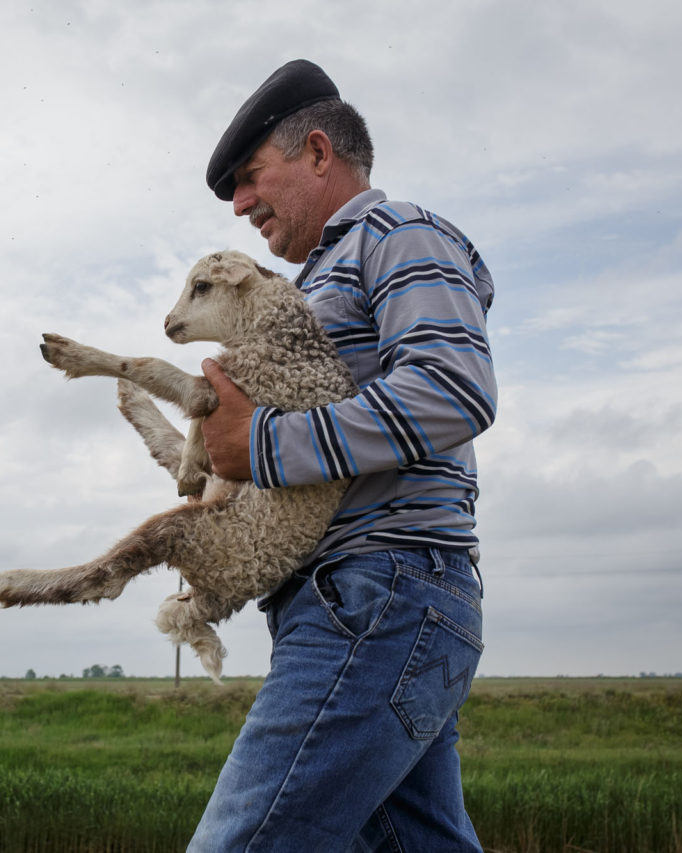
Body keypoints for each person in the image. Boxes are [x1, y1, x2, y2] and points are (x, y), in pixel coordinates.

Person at [187, 60, 496, 852]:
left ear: (319, 153)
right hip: (372, 604)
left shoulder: (398, 234)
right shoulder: (315, 282)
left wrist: (259, 443)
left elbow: (452, 389)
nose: (241, 204)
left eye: (253, 177)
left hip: (377, 595)